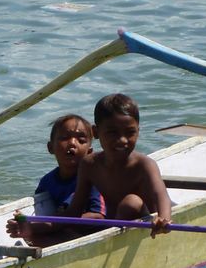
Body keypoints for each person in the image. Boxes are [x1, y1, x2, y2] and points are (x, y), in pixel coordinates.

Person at [65, 93, 171, 237]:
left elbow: (162, 196)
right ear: (95, 132)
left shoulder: (145, 165)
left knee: (131, 202)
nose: (122, 140)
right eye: (112, 133)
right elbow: (74, 211)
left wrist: (163, 219)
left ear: (138, 132)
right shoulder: (89, 164)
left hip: (148, 223)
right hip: (113, 225)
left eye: (130, 132)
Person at [6, 114, 104, 244]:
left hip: (89, 232)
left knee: (56, 236)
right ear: (50, 148)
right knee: (37, 238)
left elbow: (98, 217)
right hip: (60, 228)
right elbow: (41, 211)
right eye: (64, 138)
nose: (72, 144)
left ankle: (32, 233)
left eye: (81, 140)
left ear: (89, 152)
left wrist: (64, 222)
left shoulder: (93, 178)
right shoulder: (47, 182)